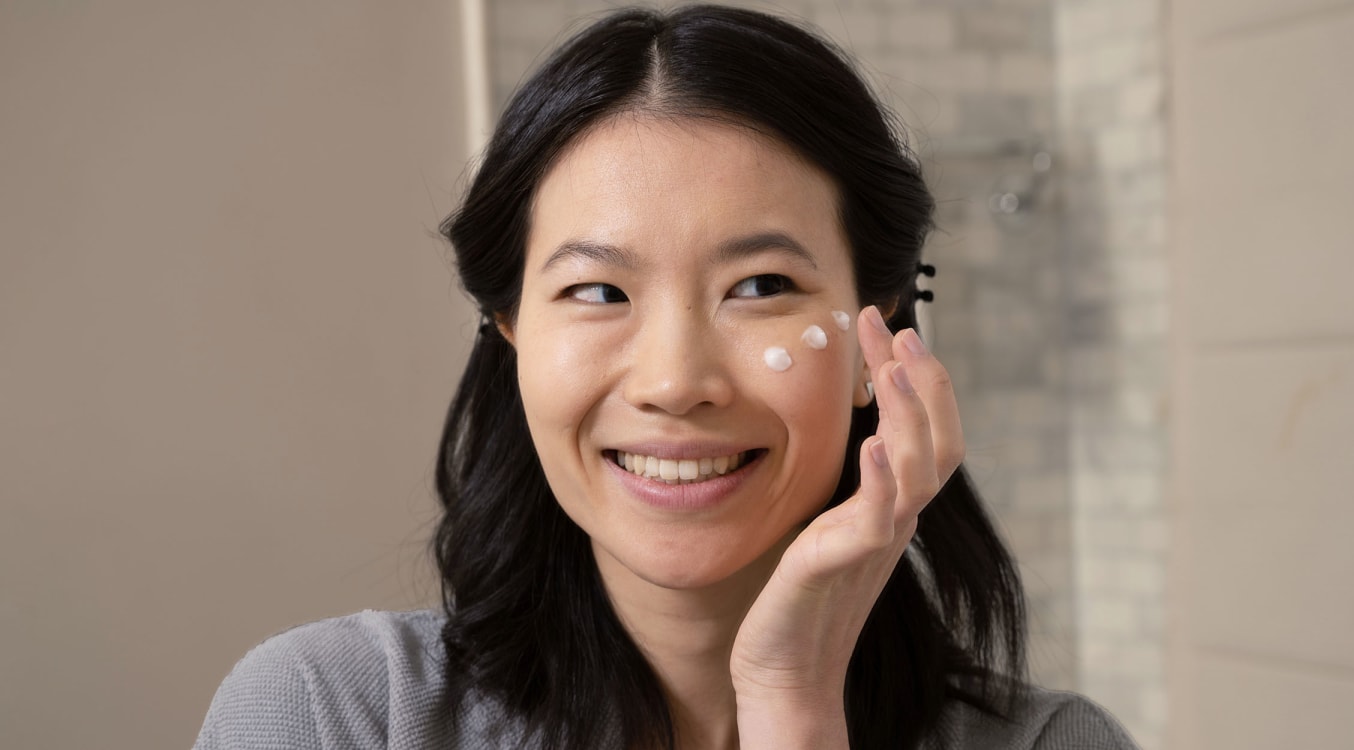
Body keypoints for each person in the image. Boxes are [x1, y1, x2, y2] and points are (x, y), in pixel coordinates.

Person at [195, 5, 1138, 749]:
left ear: (875, 337)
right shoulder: (331, 716)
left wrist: (793, 705)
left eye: (761, 285)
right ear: (511, 333)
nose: (676, 380)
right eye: (599, 290)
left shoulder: (1053, 745)